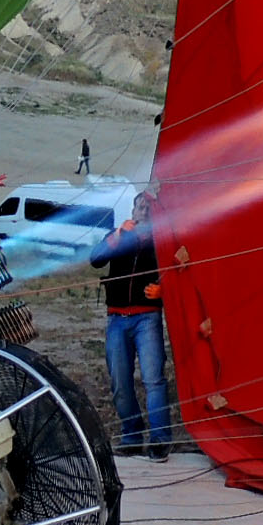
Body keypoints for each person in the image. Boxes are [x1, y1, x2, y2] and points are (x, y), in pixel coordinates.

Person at [90, 187, 172, 459]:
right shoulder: (118, 235)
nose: (144, 212)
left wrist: (163, 290)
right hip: (116, 318)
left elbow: (177, 272)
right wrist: (117, 236)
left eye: (149, 208)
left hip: (147, 316)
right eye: (140, 208)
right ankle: (132, 435)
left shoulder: (162, 240)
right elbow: (96, 259)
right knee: (120, 381)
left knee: (153, 379)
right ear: (133, 211)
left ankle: (160, 439)